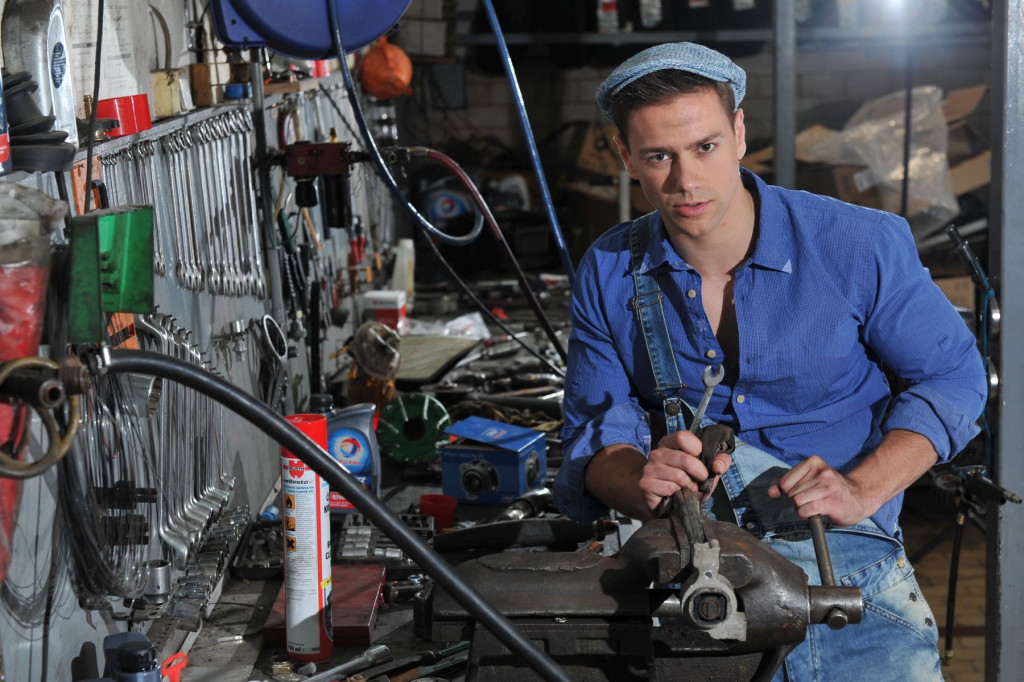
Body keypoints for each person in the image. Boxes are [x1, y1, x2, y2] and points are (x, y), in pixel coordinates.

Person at [552, 42, 987, 681]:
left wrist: (862, 487)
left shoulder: (858, 243)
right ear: (626, 157)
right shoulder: (610, 271)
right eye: (658, 156)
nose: (686, 180)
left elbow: (954, 376)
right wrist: (637, 478)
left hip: (848, 577)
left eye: (705, 147)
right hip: (695, 589)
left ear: (738, 133)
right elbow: (596, 433)